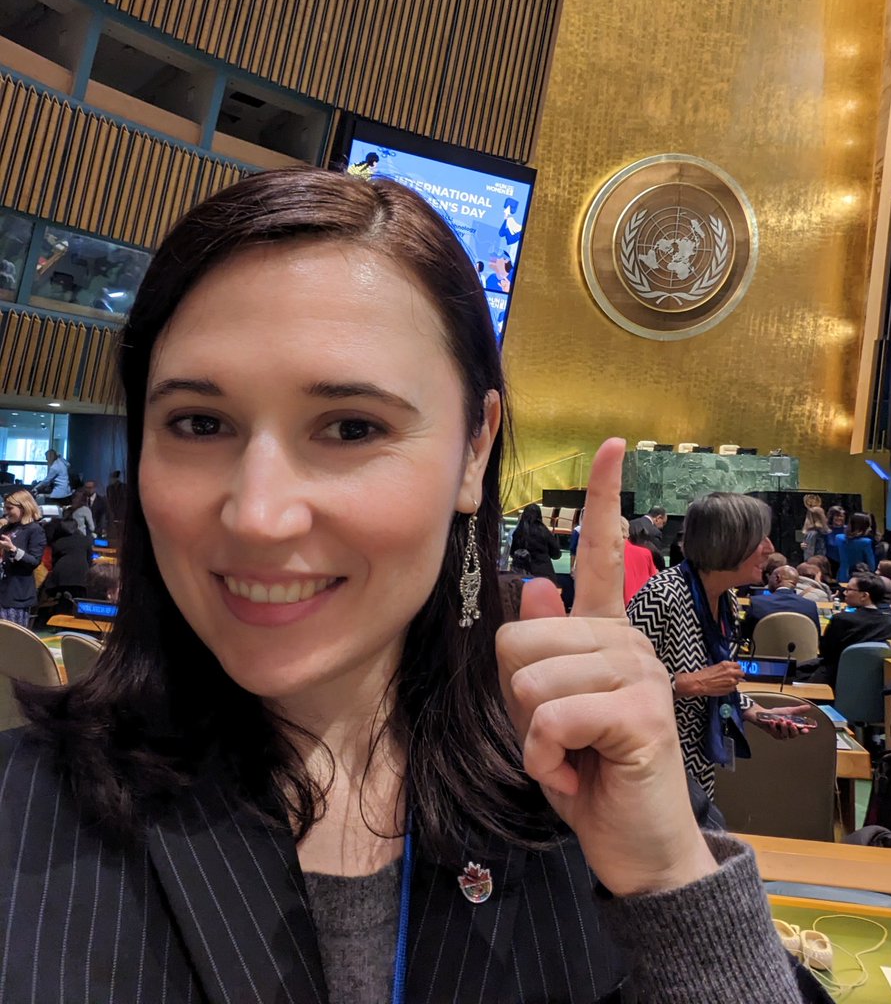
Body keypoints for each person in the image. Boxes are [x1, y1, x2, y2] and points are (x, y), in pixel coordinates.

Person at [1, 169, 811, 1003]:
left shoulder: (588, 789)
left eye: (352, 428)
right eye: (199, 424)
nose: (258, 515)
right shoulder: (21, 816)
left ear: (472, 450)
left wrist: (667, 879)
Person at [628, 491, 811, 801]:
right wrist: (688, 683)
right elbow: (619, 688)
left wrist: (757, 713)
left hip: (696, 767)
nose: (770, 549)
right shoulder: (661, 596)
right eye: (759, 539)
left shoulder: (725, 598)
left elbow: (718, 683)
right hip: (650, 772)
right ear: (726, 542)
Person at [816, 573, 891, 686]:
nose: (844, 593)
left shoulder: (841, 620)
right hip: (882, 683)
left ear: (864, 596)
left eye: (849, 589)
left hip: (835, 679)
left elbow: (826, 654)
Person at [0, 489, 47, 627]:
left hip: (16, 595)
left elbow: (34, 561)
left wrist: (13, 549)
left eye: (9, 508)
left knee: (12, 639)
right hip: (2, 590)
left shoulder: (35, 530)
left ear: (24, 507)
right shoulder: (7, 528)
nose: (5, 512)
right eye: (4, 507)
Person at [741, 566, 821, 641]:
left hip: (761, 654)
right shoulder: (810, 606)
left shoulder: (757, 602)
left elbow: (745, 634)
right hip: (802, 655)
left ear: (777, 578)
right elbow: (816, 635)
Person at [508, 502, 561, 585]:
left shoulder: (518, 532)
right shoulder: (544, 532)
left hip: (521, 576)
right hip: (544, 576)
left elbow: (512, 553)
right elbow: (556, 554)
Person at [621, 515, 657, 605]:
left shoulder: (604, 555)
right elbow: (655, 579)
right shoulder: (645, 553)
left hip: (617, 610)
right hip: (642, 606)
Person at [836, 511, 877, 582]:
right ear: (863, 526)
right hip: (859, 577)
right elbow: (871, 565)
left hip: (842, 575)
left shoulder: (838, 538)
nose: (870, 528)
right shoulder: (866, 542)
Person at [824, 505, 846, 577]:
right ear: (831, 517)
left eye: (841, 516)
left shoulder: (848, 529)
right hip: (830, 563)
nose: (839, 518)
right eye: (837, 516)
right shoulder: (826, 530)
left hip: (845, 562)